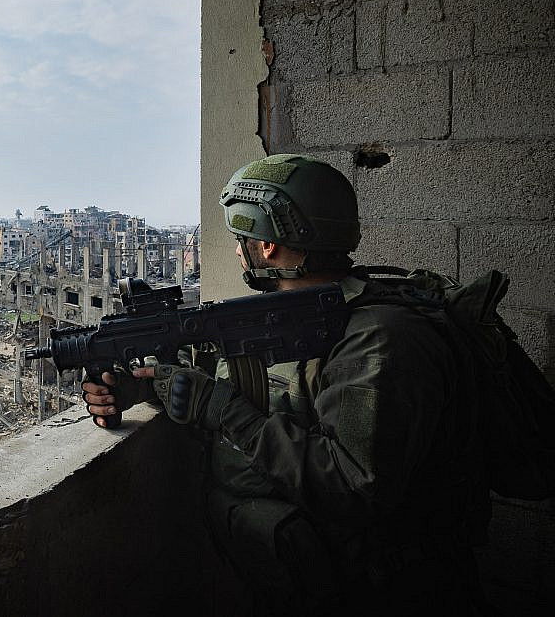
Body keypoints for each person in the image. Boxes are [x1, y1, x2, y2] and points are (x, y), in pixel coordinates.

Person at [82, 154, 490, 615]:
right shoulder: (294, 315)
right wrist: (145, 386)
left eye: (242, 240)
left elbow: (353, 485)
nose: (238, 250)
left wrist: (223, 411)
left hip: (384, 591)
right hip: (307, 578)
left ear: (269, 246)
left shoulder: (381, 337)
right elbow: (244, 382)